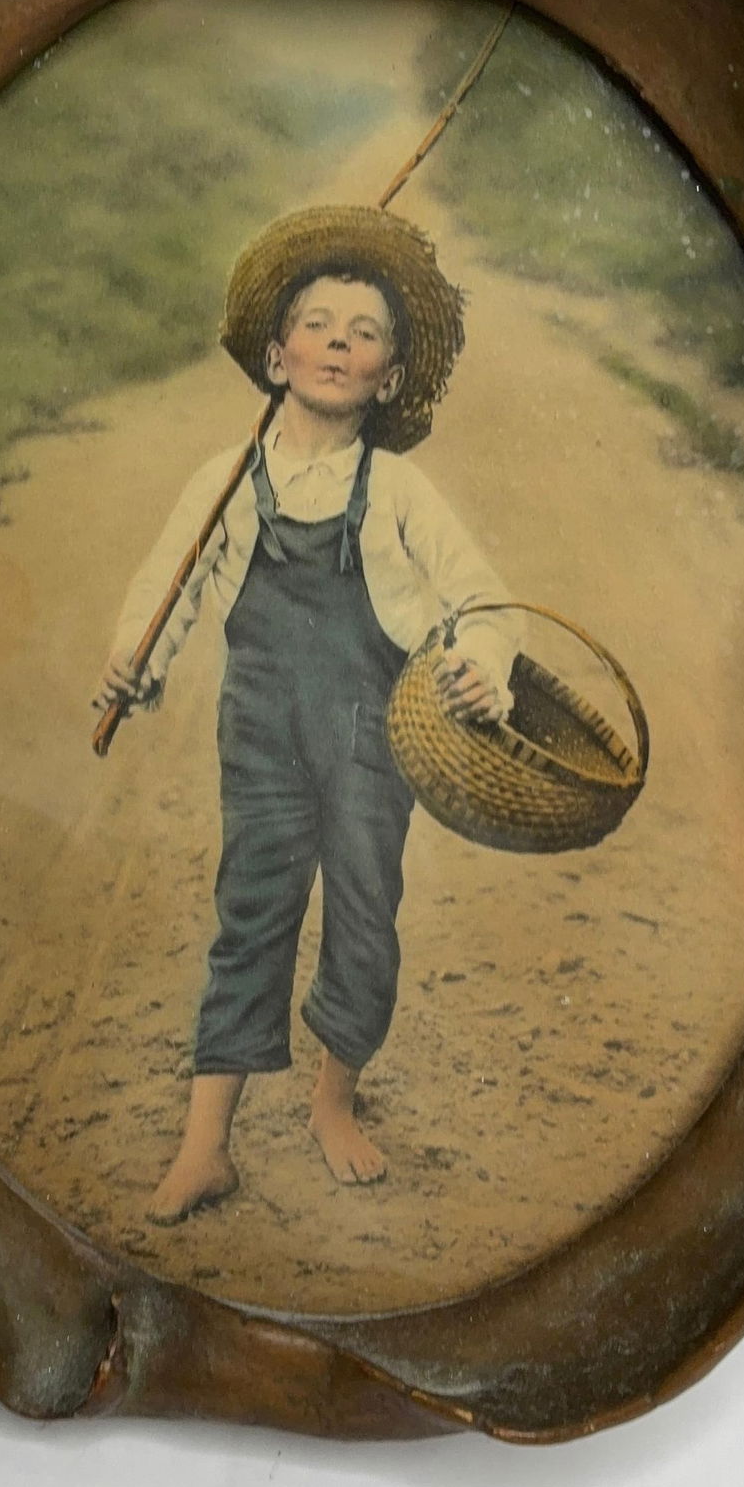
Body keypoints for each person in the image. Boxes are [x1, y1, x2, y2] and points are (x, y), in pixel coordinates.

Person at [93, 204, 515, 1225]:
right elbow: (169, 585)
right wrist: (128, 665)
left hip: (376, 736)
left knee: (365, 911)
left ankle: (334, 1104)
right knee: (253, 912)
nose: (340, 342)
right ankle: (207, 1146)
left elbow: (483, 599)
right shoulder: (228, 479)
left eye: (365, 333)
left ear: (388, 376)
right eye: (318, 325)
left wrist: (482, 665)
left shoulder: (401, 489)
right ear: (276, 357)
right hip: (263, 732)